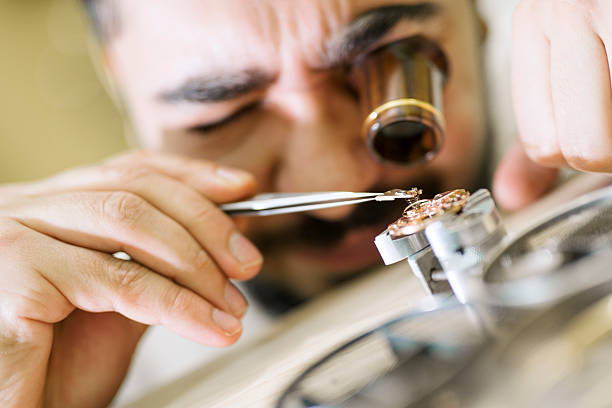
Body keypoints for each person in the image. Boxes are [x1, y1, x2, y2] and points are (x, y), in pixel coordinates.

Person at [0, 0, 610, 407]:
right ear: (120, 86)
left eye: (393, 70)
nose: (336, 184)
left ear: (475, 13)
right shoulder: (67, 350)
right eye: (225, 113)